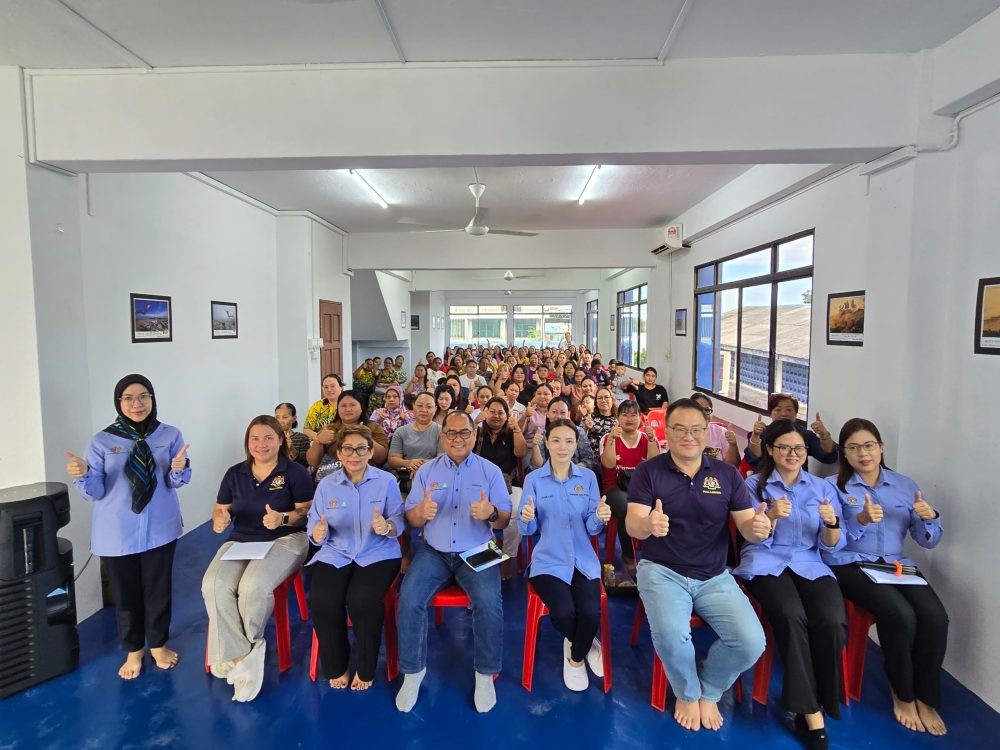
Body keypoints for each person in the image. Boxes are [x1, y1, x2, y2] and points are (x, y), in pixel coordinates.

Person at [626, 398, 768, 732]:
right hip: (662, 570)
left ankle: (710, 686)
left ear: (707, 432)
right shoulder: (649, 471)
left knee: (751, 642)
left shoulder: (726, 474)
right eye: (679, 429)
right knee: (671, 636)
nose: (688, 436)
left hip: (714, 575)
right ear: (667, 432)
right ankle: (688, 692)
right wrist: (649, 524)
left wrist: (758, 528)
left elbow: (747, 526)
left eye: (696, 429)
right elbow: (633, 524)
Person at [823, 418, 948, 735]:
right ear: (844, 453)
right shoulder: (833, 487)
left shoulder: (905, 486)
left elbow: (927, 540)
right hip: (850, 563)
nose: (862, 453)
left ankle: (926, 696)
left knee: (935, 617)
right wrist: (861, 520)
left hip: (895, 564)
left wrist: (930, 518)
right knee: (899, 614)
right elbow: (830, 542)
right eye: (853, 448)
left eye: (868, 445)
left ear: (880, 448)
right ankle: (903, 693)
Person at [66, 374, 191, 680]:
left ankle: (158, 644)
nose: (137, 404)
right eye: (129, 398)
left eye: (144, 396)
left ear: (153, 399)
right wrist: (82, 475)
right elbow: (94, 492)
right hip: (117, 532)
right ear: (118, 402)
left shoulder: (169, 434)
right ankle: (134, 649)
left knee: (159, 590)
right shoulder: (101, 441)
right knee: (126, 594)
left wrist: (181, 468)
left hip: (160, 527)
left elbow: (175, 482)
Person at [733, 419, 847, 750]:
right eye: (784, 447)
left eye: (799, 448)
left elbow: (831, 545)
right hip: (765, 562)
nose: (793, 454)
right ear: (770, 450)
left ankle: (818, 698)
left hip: (810, 562)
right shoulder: (754, 486)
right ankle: (810, 713)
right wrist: (769, 517)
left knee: (832, 620)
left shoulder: (822, 489)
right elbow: (751, 536)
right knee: (791, 615)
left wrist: (832, 524)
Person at [395, 411, 513, 714]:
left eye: (464, 433)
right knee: (409, 598)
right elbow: (410, 518)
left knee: (489, 601)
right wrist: (420, 512)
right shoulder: (426, 472)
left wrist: (490, 513)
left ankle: (485, 674)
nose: (458, 439)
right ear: (442, 436)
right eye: (451, 433)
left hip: (478, 549)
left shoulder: (490, 471)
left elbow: (504, 519)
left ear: (474, 435)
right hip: (433, 551)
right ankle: (413, 672)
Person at [202, 415, 313, 702]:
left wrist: (283, 518)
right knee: (213, 585)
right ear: (247, 442)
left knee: (252, 587)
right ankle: (243, 656)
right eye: (255, 438)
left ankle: (237, 656)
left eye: (268, 438)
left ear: (280, 440)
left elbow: (306, 513)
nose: (261, 444)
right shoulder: (235, 473)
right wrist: (219, 519)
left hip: (287, 539)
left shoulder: (295, 472)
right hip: (241, 539)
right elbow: (221, 509)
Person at [307, 425, 404, 691]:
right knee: (322, 598)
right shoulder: (326, 485)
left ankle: (366, 665)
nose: (354, 455)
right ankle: (336, 665)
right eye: (348, 449)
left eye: (361, 448)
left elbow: (399, 519)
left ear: (371, 452)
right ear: (339, 453)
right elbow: (314, 523)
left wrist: (387, 526)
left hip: (378, 552)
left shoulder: (386, 481)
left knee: (362, 599)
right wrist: (317, 533)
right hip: (337, 551)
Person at [519, 419, 611, 690]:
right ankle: (585, 649)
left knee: (590, 613)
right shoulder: (534, 480)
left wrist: (600, 516)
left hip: (583, 560)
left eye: (569, 441)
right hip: (548, 561)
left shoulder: (588, 478)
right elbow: (527, 530)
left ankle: (574, 656)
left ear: (575, 444)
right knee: (563, 613)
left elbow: (592, 528)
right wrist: (527, 517)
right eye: (556, 440)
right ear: (547, 444)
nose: (563, 447)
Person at [599, 399, 658, 577]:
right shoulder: (608, 438)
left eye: (634, 415)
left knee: (663, 506)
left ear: (640, 418)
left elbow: (654, 466)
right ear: (617, 418)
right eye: (624, 414)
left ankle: (656, 557)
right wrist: (612, 439)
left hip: (642, 490)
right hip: (614, 488)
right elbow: (609, 464)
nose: (629, 418)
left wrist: (652, 440)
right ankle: (629, 556)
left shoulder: (647, 438)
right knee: (627, 509)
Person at [472, 397, 528, 578]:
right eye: (492, 411)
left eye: (501, 412)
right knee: (471, 513)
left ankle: (508, 556)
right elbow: (465, 450)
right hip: (480, 485)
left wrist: (516, 428)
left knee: (516, 512)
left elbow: (520, 452)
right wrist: (474, 424)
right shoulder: (477, 432)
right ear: (485, 412)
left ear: (507, 415)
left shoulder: (511, 433)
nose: (496, 416)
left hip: (508, 483)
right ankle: (495, 547)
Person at [307, 391, 389, 482]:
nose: (348, 409)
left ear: (361, 408)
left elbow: (381, 458)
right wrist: (318, 441)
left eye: (352, 405)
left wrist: (366, 437)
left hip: (366, 479)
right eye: (343, 406)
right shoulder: (329, 429)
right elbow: (312, 462)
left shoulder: (373, 427)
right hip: (332, 479)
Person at [745, 393, 837, 469]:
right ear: (770, 413)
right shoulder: (761, 434)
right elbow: (753, 461)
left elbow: (829, 458)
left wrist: (824, 434)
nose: (783, 414)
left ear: (796, 413)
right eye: (778, 410)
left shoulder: (805, 435)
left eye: (789, 410)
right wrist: (755, 436)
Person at [529, 397, 597, 475]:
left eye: (563, 412)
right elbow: (538, 466)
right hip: (550, 476)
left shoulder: (578, 431)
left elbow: (589, 459)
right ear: (547, 413)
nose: (558, 416)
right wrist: (535, 446)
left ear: (568, 414)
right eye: (554, 412)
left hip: (576, 474)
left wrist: (569, 471)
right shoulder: (541, 434)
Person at [690, 393, 740, 466]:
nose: (703, 414)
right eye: (698, 410)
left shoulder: (722, 433)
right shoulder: (681, 432)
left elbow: (733, 467)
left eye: (707, 410)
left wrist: (733, 445)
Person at [303, 374, 343, 439]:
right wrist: (320, 437)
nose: (329, 390)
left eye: (332, 386)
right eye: (326, 387)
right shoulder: (317, 406)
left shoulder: (348, 403)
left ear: (341, 387)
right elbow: (306, 429)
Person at [275, 402, 311, 467]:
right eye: (277, 417)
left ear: (294, 419)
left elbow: (306, 465)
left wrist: (292, 450)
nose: (280, 421)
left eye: (285, 417)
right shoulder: (271, 438)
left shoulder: (302, 438)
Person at [587, 387, 618, 456]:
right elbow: (582, 439)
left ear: (612, 400)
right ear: (596, 402)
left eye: (606, 397)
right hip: (594, 457)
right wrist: (586, 428)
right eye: (600, 398)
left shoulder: (619, 419)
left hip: (615, 456)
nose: (603, 400)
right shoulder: (589, 418)